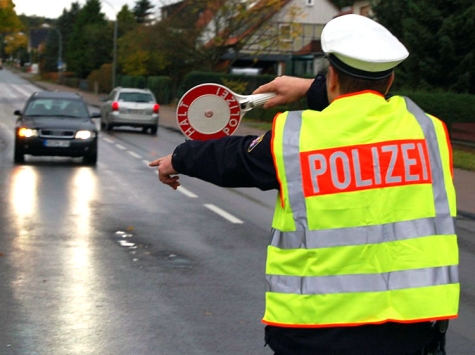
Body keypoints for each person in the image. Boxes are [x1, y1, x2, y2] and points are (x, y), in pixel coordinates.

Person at [149, 14, 459, 355]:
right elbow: (368, 114)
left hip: (317, 331)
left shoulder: (299, 138)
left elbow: (232, 158)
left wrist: (177, 158)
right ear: (391, 78)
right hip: (410, 331)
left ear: (333, 77)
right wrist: (312, 88)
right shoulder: (428, 131)